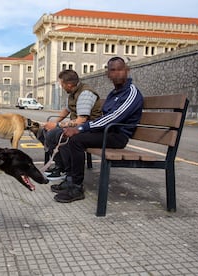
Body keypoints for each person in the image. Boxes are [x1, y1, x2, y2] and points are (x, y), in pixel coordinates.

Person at [53, 56, 144, 203]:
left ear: (127, 71)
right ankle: (70, 179)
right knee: (66, 135)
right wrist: (79, 128)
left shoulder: (131, 93)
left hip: (117, 135)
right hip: (106, 131)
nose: (116, 73)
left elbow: (113, 118)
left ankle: (76, 187)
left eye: (120, 69)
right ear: (108, 74)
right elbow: (103, 117)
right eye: (112, 70)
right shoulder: (114, 93)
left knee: (76, 139)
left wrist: (81, 128)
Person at [42, 69, 102, 180]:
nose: (61, 87)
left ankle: (66, 169)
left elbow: (81, 121)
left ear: (69, 85)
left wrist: (57, 126)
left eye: (62, 84)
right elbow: (67, 110)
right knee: (46, 132)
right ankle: (60, 166)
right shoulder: (74, 93)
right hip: (78, 126)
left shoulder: (85, 94)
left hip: (89, 128)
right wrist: (53, 123)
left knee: (60, 134)